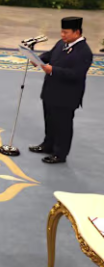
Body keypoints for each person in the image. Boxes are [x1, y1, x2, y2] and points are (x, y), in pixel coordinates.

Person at [29, 17, 93, 164]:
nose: (62, 35)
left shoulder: (84, 52)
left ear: (77, 32)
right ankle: (48, 144)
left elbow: (76, 74)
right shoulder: (62, 43)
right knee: (50, 120)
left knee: (63, 125)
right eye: (62, 31)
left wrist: (53, 70)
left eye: (66, 32)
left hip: (66, 95)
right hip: (51, 90)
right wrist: (38, 59)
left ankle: (60, 153)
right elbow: (50, 54)